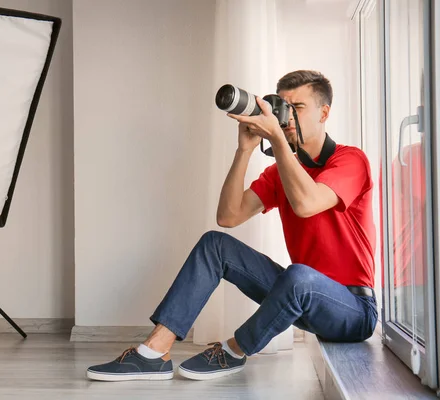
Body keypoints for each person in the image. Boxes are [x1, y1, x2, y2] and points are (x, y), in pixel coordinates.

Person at [86, 70, 378, 382]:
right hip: (298, 296)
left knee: (300, 276)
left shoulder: (351, 160)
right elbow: (228, 216)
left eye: (299, 107)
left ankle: (233, 350)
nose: (288, 117)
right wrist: (245, 150)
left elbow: (307, 204)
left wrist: (278, 140)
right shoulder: (280, 172)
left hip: (353, 310)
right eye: (283, 106)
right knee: (215, 244)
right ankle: (153, 353)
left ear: (324, 113)